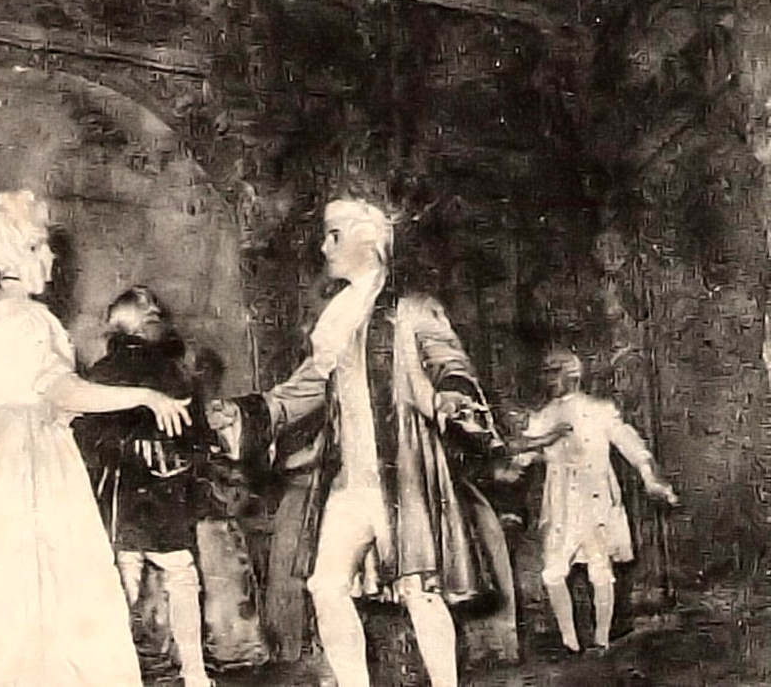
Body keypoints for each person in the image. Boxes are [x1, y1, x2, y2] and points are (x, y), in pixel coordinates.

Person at [205, 198, 569, 687]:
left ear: (368, 239)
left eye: (334, 235)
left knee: (421, 591)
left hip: (404, 476)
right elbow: (307, 387)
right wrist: (247, 412)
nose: (324, 246)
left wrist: (451, 394)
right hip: (349, 482)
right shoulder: (337, 316)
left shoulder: (410, 310)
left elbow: (450, 363)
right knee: (325, 585)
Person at [0, 190, 192, 687]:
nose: (52, 258)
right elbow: (62, 390)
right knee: (48, 583)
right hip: (31, 460)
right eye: (42, 247)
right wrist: (145, 396)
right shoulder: (33, 318)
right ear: (18, 256)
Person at [73, 285, 217, 687]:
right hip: (151, 492)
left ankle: (122, 673)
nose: (156, 316)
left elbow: (85, 436)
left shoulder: (107, 371)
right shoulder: (165, 371)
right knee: (176, 577)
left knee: (128, 580)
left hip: (128, 494)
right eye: (148, 312)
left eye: (155, 310)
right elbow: (195, 435)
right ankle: (192, 673)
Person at [500, 348, 678, 654]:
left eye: (555, 373)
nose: (549, 380)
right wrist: (516, 464)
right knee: (553, 571)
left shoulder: (599, 410)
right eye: (547, 373)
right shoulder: (544, 416)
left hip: (596, 498)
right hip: (561, 503)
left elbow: (631, 445)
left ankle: (602, 639)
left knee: (600, 567)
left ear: (572, 375)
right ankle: (569, 641)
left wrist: (650, 478)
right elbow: (523, 456)